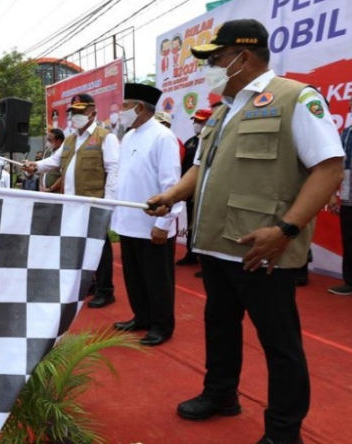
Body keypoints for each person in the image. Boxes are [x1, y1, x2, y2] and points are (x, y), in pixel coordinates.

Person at [146, 19, 344, 444]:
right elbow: (202, 168)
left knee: (279, 344)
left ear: (244, 56)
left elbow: (329, 168)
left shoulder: (294, 98)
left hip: (262, 249)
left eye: (215, 59)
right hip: (216, 245)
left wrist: (286, 229)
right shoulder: (223, 110)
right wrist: (173, 194)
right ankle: (220, 395)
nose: (210, 69)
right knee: (220, 327)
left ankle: (283, 432)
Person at [24, 93, 120, 309]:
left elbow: (113, 170)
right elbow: (54, 162)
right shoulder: (70, 139)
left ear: (93, 112)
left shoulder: (106, 137)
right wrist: (36, 166)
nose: (75, 116)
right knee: (79, 246)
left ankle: (106, 290)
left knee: (100, 247)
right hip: (72, 205)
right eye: (73, 112)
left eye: (80, 112)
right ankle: (90, 284)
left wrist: (108, 204)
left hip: (94, 203)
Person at [110, 84, 183, 347]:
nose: (121, 111)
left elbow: (172, 185)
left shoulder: (162, 137)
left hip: (153, 224)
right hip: (128, 222)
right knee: (135, 277)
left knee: (157, 280)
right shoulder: (129, 136)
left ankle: (162, 326)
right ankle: (141, 317)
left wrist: (164, 223)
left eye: (126, 105)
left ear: (140, 107)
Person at [176, 108, 213, 266]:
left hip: (206, 191)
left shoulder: (212, 140)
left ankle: (207, 260)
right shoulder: (190, 142)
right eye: (195, 121)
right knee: (191, 222)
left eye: (200, 121)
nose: (197, 124)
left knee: (205, 224)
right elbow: (183, 165)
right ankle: (191, 254)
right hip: (190, 190)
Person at [328, 96, 352, 295]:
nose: (350, 102)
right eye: (351, 99)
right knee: (349, 238)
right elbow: (339, 166)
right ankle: (350, 282)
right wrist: (333, 193)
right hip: (348, 195)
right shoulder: (346, 132)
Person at [40, 128, 64, 193]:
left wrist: (50, 189)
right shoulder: (47, 152)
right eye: (47, 139)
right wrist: (40, 186)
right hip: (43, 192)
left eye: (50, 140)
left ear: (58, 141)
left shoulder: (64, 154)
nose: (48, 142)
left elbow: (63, 176)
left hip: (56, 194)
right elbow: (42, 169)